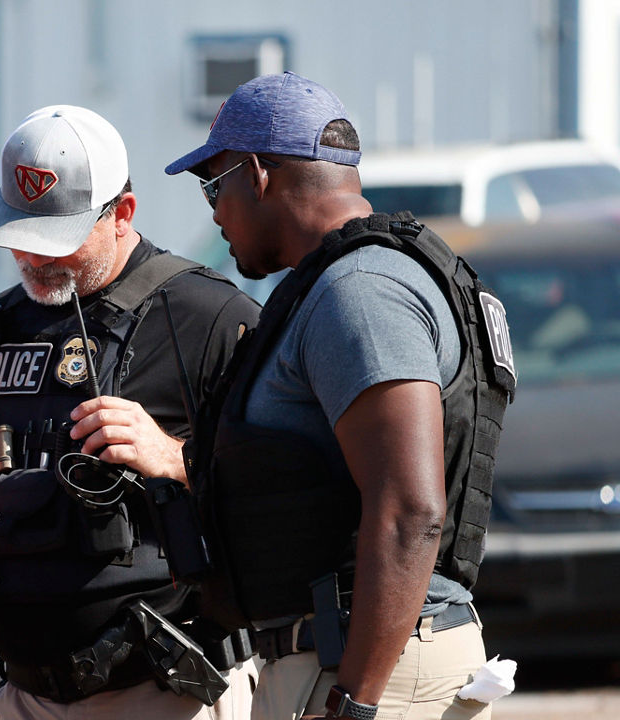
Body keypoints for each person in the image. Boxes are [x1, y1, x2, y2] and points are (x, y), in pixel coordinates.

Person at [0, 105, 260, 720]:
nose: (34, 259)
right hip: (26, 695)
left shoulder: (207, 317)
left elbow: (289, 492)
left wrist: (173, 457)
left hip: (171, 693)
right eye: (20, 237)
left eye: (56, 240)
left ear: (123, 214)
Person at [164, 72, 517, 720]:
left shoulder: (360, 291)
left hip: (374, 669)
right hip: (351, 660)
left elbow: (411, 508)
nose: (214, 211)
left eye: (216, 185)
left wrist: (355, 702)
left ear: (259, 175)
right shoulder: (339, 283)